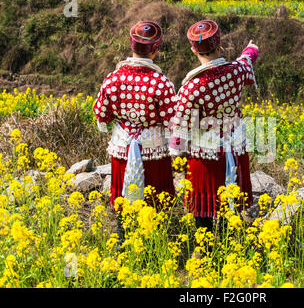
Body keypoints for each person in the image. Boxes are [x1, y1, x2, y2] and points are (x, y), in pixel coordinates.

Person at [169, 19, 258, 232]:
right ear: (219, 45)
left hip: (204, 156)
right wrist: (252, 47)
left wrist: (176, 153)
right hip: (234, 149)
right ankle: (229, 249)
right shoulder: (237, 72)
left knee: (204, 210)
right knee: (231, 207)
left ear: (194, 50)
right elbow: (247, 59)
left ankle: (206, 252)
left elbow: (181, 127)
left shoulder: (192, 87)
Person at [93, 21, 176, 248]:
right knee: (155, 196)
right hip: (153, 149)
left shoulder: (113, 79)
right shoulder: (161, 83)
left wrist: (118, 123)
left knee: (122, 197)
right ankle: (154, 246)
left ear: (131, 46)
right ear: (155, 49)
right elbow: (173, 122)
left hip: (123, 147)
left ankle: (123, 242)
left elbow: (101, 116)